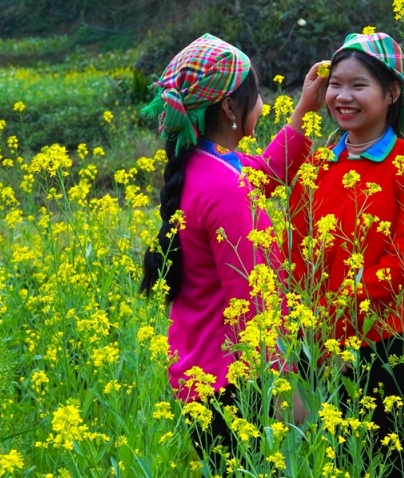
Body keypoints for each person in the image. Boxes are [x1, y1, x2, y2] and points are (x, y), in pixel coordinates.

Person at [137, 33, 326, 466]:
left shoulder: (204, 165)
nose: (262, 105)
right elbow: (251, 305)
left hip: (202, 379)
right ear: (229, 108)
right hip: (237, 388)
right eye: (256, 95)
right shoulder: (226, 188)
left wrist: (304, 110)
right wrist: (289, 400)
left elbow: (264, 172)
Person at [286, 31, 404, 478]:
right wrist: (307, 325)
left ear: (392, 92)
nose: (343, 97)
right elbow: (297, 255)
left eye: (359, 86)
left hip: (386, 344)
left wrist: (345, 303)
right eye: (336, 84)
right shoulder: (316, 167)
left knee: (391, 463)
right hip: (318, 344)